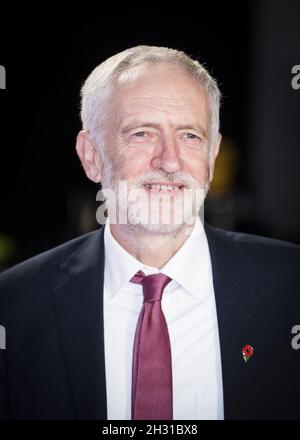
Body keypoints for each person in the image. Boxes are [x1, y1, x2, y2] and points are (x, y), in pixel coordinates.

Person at [0, 46, 299, 420]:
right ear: (91, 155)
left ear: (212, 155)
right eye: (142, 133)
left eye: (190, 136)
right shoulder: (13, 306)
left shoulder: (292, 287)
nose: (169, 161)